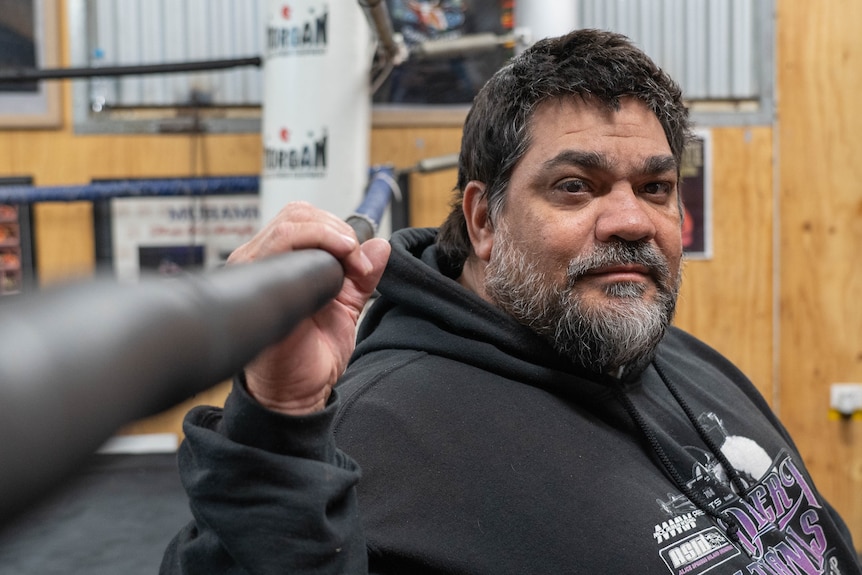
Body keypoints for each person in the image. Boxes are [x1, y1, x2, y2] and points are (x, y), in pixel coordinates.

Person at [161, 29, 862, 575]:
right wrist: (277, 426)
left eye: (655, 188)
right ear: (484, 220)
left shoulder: (682, 356)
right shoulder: (379, 429)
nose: (632, 220)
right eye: (575, 186)